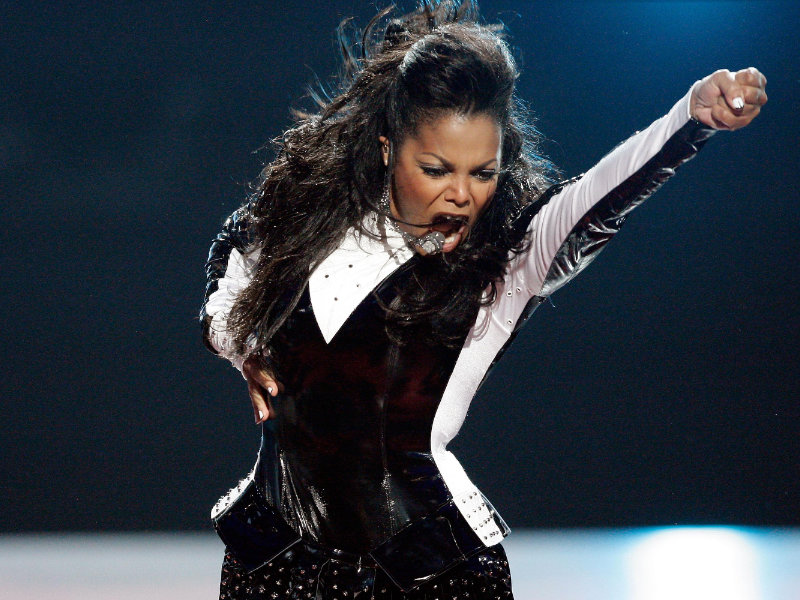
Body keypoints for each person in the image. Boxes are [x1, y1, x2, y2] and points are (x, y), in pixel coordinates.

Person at [199, 2, 767, 598]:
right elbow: (232, 252)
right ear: (389, 148)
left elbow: (603, 193)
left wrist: (691, 120)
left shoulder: (506, 263)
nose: (463, 194)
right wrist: (242, 345)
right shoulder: (309, 217)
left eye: (483, 172)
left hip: (432, 574)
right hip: (276, 565)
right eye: (437, 168)